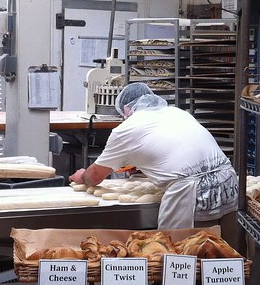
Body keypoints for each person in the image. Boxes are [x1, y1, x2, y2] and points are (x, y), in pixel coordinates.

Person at [69, 82, 239, 229]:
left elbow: (95, 176)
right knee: (226, 252)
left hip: (189, 192)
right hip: (228, 181)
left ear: (126, 110)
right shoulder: (177, 112)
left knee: (178, 251)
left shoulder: (126, 129)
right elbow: (175, 152)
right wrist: (142, 165)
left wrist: (82, 176)